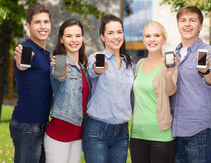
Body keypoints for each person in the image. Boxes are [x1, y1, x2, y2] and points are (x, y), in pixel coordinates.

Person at [171, 5, 211, 163]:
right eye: (183, 20)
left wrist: (206, 71)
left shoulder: (208, 53)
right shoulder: (174, 55)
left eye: (192, 20)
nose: (187, 24)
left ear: (200, 26)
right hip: (174, 130)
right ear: (178, 25)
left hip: (197, 130)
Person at [82, 14, 134, 163]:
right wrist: (100, 69)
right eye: (110, 33)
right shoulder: (96, 57)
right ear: (102, 36)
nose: (116, 36)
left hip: (122, 133)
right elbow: (93, 71)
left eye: (119, 32)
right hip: (97, 131)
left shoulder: (129, 64)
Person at [10, 4, 53, 163]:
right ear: (28, 26)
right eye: (37, 22)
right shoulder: (26, 49)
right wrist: (21, 60)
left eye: (46, 22)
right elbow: (22, 64)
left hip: (41, 124)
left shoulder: (46, 54)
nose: (43, 26)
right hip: (27, 126)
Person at [44, 19, 91, 163]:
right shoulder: (59, 61)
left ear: (82, 38)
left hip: (77, 137)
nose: (74, 40)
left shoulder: (83, 68)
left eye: (77, 36)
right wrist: (61, 71)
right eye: (69, 36)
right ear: (62, 39)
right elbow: (60, 75)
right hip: (59, 135)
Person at [130, 21, 177, 163]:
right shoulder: (139, 64)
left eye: (157, 35)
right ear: (143, 39)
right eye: (148, 36)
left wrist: (168, 75)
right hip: (137, 135)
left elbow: (171, 91)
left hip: (161, 137)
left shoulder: (170, 66)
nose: (152, 39)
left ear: (164, 39)